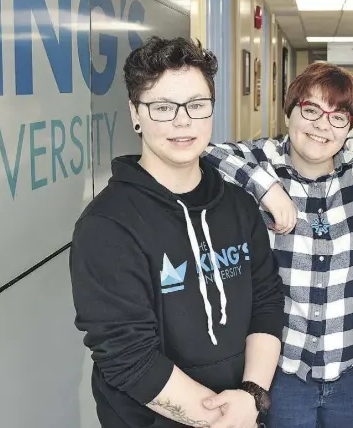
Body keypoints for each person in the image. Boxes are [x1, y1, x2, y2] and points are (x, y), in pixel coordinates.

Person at [201, 62, 353, 428]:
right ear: (290, 113)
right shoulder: (264, 158)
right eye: (311, 110)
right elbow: (204, 152)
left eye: (338, 116)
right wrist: (264, 186)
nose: (322, 125)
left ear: (350, 126)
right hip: (282, 370)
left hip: (352, 369)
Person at [69, 37, 284, 428]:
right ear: (135, 113)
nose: (183, 121)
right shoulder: (107, 225)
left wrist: (252, 395)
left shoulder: (239, 205)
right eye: (163, 107)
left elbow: (267, 303)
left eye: (196, 105)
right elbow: (129, 358)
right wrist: (228, 419)